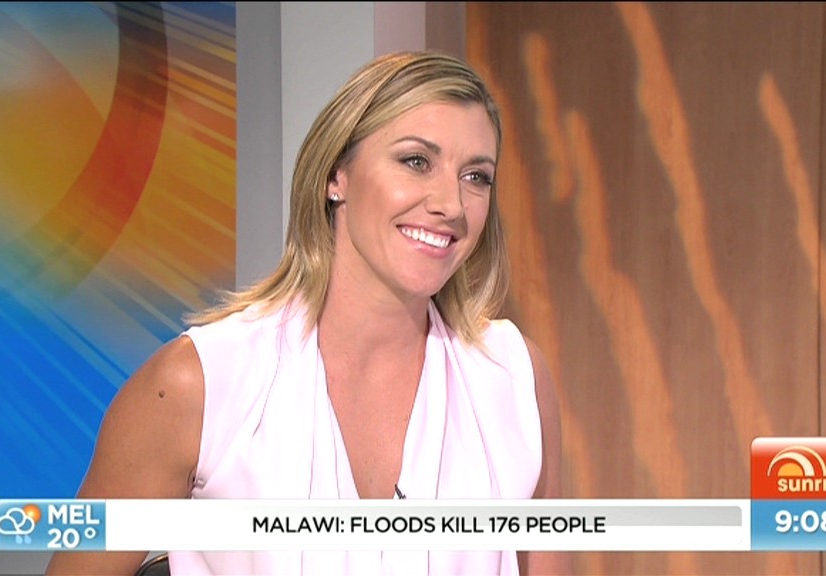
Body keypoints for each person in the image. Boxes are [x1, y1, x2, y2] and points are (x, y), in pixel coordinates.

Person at [46, 50, 566, 576]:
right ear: (336, 175)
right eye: (416, 162)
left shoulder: (513, 378)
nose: (451, 204)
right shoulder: (196, 385)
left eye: (476, 176)